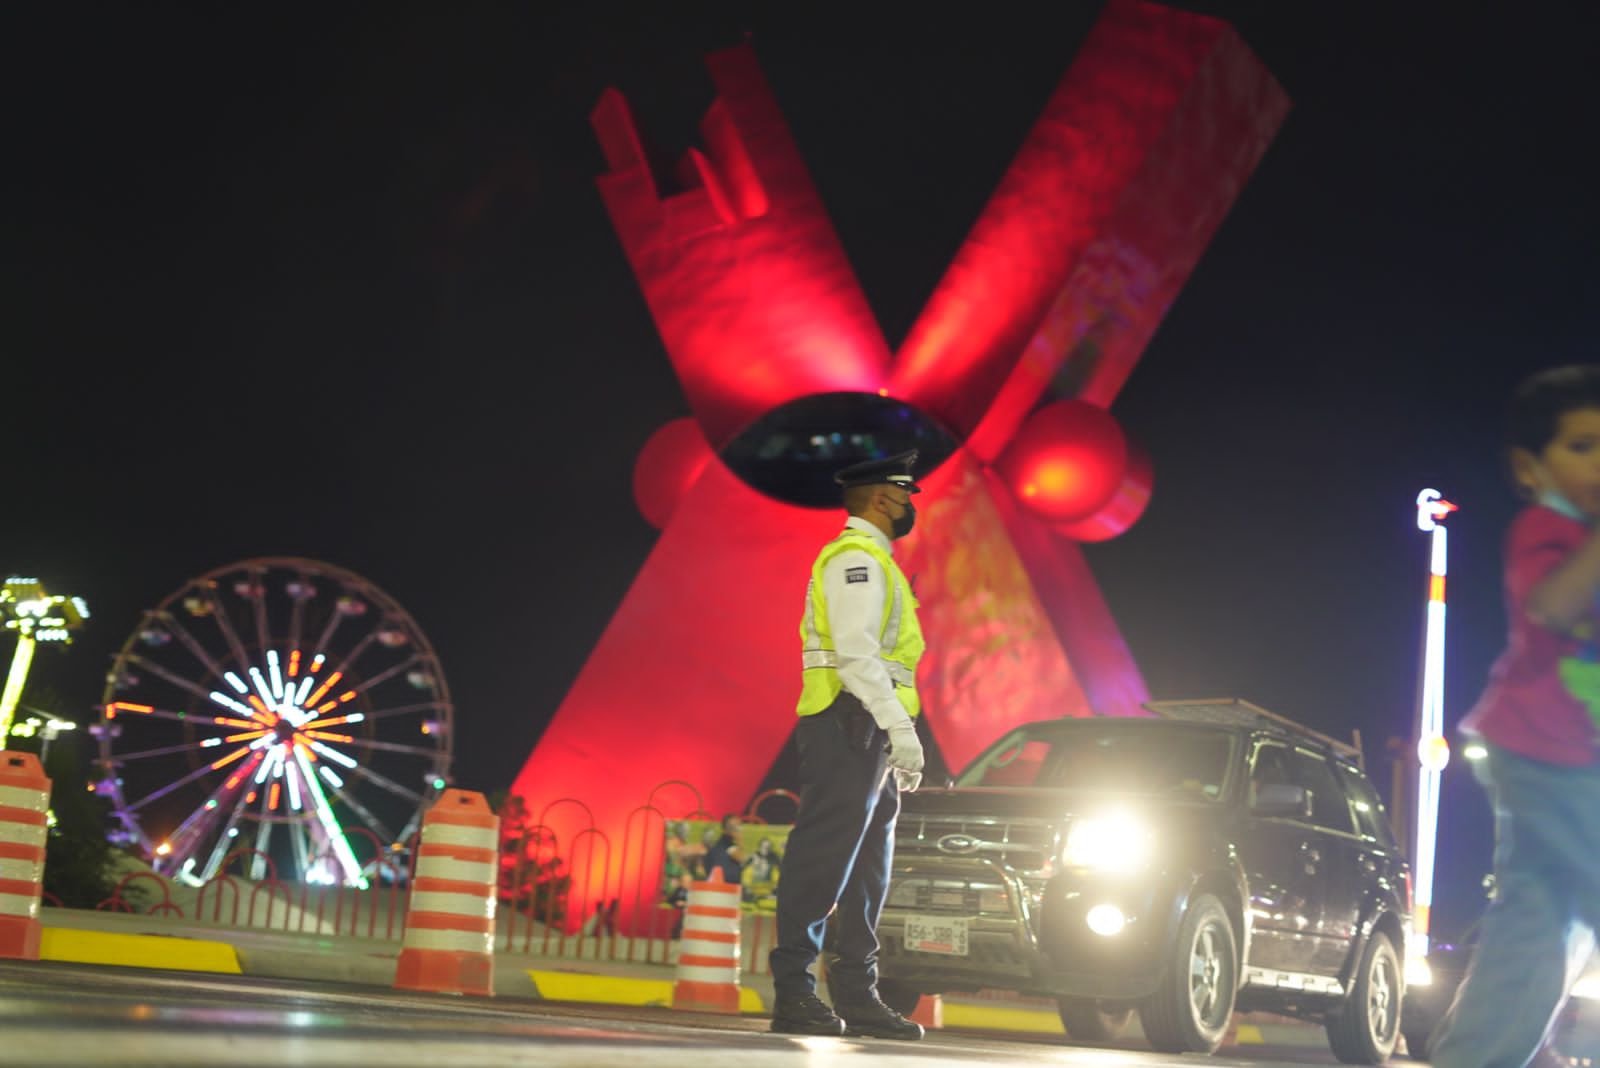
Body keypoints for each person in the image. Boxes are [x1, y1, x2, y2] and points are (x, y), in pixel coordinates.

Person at [1431, 365, 1600, 1068]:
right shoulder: (1546, 529)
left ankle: (1478, 1056)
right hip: (1543, 753)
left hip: (1565, 754)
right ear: (1530, 468)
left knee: (1535, 923)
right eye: (1582, 447)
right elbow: (1552, 607)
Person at [768, 449, 928, 1040]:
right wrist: (899, 727)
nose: (910, 505)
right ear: (884, 498)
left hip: (868, 730)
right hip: (846, 722)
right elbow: (857, 657)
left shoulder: (876, 561)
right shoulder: (855, 560)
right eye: (906, 494)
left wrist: (894, 732)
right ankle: (794, 992)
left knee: (868, 870)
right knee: (824, 859)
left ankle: (858, 996)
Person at [702, 813, 746, 885]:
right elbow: (742, 859)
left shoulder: (720, 844)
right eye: (734, 827)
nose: (738, 830)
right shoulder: (727, 845)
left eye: (739, 826)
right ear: (725, 829)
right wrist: (740, 841)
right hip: (725, 886)